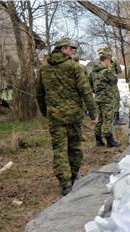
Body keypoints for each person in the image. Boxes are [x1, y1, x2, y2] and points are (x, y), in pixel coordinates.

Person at [36, 37, 98, 196]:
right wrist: (93, 112)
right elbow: (85, 91)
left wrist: (45, 112)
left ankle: (65, 183)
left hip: (55, 117)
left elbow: (39, 95)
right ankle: (72, 176)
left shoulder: (43, 69)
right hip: (73, 116)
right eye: (71, 49)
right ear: (63, 49)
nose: (73, 51)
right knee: (74, 147)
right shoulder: (74, 67)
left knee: (59, 149)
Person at [89, 53, 120, 147]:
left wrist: (96, 91)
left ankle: (98, 139)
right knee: (108, 119)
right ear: (106, 60)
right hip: (107, 99)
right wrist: (110, 69)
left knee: (100, 119)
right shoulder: (106, 71)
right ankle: (109, 140)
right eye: (109, 61)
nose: (109, 63)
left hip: (98, 98)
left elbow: (89, 84)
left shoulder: (93, 72)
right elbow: (114, 80)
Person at [97, 47, 125, 125]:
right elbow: (119, 71)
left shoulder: (99, 60)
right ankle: (115, 120)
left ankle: (106, 119)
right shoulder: (113, 59)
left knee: (106, 101)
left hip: (102, 84)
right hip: (112, 83)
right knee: (116, 100)